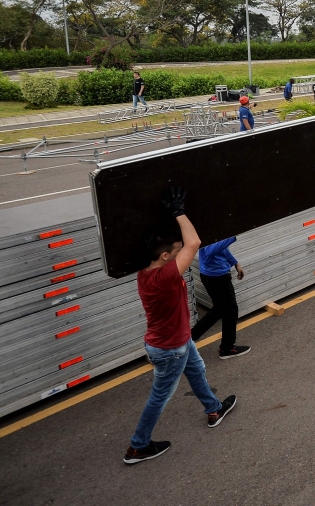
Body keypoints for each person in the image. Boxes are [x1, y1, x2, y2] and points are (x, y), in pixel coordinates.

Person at [123, 188, 236, 464]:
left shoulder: (146, 272)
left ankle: (214, 409)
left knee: (197, 371)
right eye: (176, 251)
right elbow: (194, 242)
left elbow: (183, 245)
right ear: (164, 257)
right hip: (170, 347)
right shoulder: (163, 278)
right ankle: (138, 446)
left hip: (178, 341)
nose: (181, 253)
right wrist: (178, 211)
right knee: (159, 397)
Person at [190, 237, 250, 360]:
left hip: (215, 275)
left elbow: (221, 248)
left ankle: (189, 338)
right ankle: (227, 348)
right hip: (216, 277)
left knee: (220, 310)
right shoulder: (209, 228)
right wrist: (233, 237)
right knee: (230, 310)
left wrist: (235, 262)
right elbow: (209, 252)